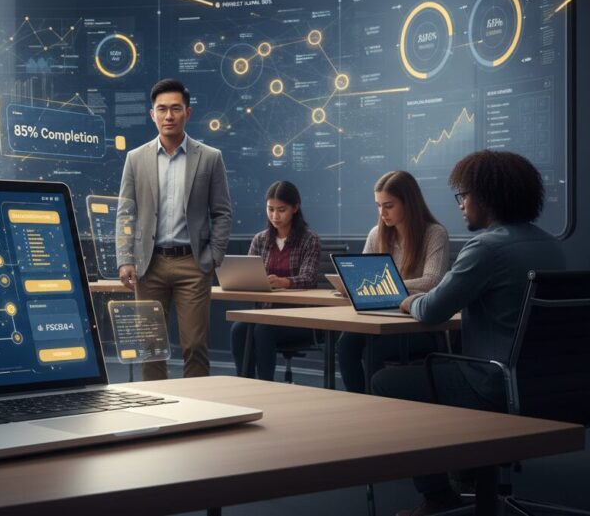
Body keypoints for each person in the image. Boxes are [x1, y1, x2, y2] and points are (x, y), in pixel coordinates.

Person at [371, 151, 567, 516]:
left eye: (464, 196)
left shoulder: (485, 247)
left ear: (487, 196)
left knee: (387, 382)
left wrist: (407, 302)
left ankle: (438, 496)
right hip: (550, 385)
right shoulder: (551, 245)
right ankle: (473, 471)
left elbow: (432, 310)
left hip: (493, 382)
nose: (460, 205)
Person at [116, 78, 232, 379]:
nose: (169, 116)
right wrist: (125, 258)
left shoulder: (210, 158)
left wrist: (212, 258)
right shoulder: (135, 159)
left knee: (195, 345)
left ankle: (199, 414)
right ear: (152, 114)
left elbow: (222, 212)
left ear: (188, 113)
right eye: (162, 109)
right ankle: (160, 413)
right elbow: (125, 213)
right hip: (148, 264)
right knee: (150, 346)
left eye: (176, 109)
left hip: (192, 264)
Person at [336, 171, 449, 392]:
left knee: (373, 348)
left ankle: (377, 407)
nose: (382, 212)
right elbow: (363, 275)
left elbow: (433, 281)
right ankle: (359, 402)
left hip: (420, 324)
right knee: (345, 343)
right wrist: (355, 285)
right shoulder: (376, 234)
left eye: (388, 205)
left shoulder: (435, 233)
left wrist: (385, 284)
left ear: (409, 203)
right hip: (380, 315)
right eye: (378, 205)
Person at [229, 181, 321, 380]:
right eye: (270, 209)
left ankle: (265, 387)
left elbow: (309, 278)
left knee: (262, 330)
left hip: (299, 318)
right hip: (266, 313)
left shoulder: (309, 239)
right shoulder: (260, 240)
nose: (275, 216)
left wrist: (283, 282)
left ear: (295, 208)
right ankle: (246, 385)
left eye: (281, 210)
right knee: (239, 329)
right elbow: (247, 276)